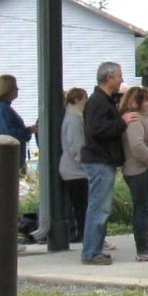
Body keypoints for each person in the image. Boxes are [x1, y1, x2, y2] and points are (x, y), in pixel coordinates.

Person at [80, 61, 139, 265]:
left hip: (102, 159)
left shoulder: (103, 100)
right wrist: (122, 122)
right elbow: (97, 130)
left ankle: (94, 249)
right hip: (99, 160)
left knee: (100, 207)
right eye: (119, 76)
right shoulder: (97, 102)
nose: (122, 80)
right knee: (99, 207)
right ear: (109, 78)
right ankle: (91, 251)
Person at [119, 86, 148, 262]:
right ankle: (144, 249)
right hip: (141, 171)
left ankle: (146, 248)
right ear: (136, 102)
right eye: (145, 100)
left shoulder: (141, 119)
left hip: (144, 170)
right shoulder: (135, 121)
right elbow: (137, 145)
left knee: (144, 209)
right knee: (143, 210)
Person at [59, 88, 89, 243]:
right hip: (75, 169)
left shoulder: (70, 116)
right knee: (81, 205)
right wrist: (84, 162)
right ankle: (84, 233)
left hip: (71, 167)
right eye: (85, 98)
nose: (86, 101)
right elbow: (75, 144)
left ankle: (81, 232)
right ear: (77, 100)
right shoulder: (74, 118)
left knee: (79, 205)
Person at [0, 74, 36, 172]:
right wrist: (28, 131)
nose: (17, 89)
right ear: (7, 89)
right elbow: (8, 134)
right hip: (10, 159)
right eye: (15, 87)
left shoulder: (3, 108)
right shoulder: (3, 109)